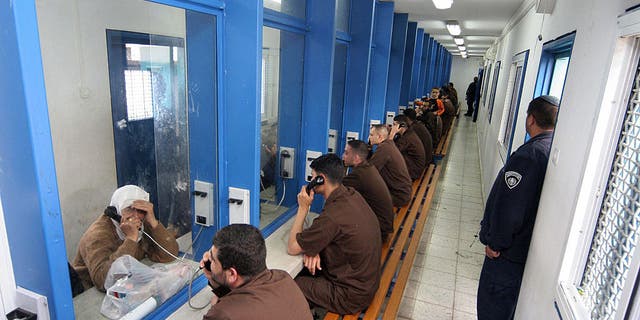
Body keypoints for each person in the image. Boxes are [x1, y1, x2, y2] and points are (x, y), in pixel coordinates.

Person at [476, 96, 559, 320]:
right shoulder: (551, 148)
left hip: (506, 256)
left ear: (531, 119)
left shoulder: (529, 155)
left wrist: (495, 243)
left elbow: (510, 208)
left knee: (492, 308)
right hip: (521, 253)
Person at [287, 154, 381, 315]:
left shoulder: (333, 216)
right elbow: (331, 232)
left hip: (350, 296)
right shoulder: (351, 195)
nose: (310, 180)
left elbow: (292, 247)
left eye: (313, 177)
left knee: (293, 284)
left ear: (321, 179)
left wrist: (303, 208)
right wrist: (314, 247)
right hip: (366, 284)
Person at [72, 185, 179, 291]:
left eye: (141, 210)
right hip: (88, 291)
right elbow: (104, 281)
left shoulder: (141, 223)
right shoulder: (96, 235)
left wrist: (153, 223)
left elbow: (169, 255)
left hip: (128, 282)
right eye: (129, 209)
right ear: (116, 210)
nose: (136, 216)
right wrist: (131, 239)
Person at [200, 224, 312, 320]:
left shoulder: (223, 314)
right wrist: (215, 280)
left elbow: (232, 309)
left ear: (232, 274)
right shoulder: (283, 277)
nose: (209, 261)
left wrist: (217, 303)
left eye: (213, 260)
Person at [342, 139, 394, 240]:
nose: (343, 156)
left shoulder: (359, 175)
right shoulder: (368, 168)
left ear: (356, 158)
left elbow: (335, 188)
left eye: (346, 153)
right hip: (384, 225)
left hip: (379, 230)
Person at [368, 124, 412, 207]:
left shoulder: (384, 148)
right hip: (403, 193)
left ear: (379, 137)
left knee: (366, 197)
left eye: (371, 135)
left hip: (398, 196)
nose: (369, 137)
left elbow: (370, 170)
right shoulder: (389, 144)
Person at [390, 115, 426, 181]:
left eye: (394, 125)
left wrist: (392, 134)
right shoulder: (409, 133)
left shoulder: (407, 138)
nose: (393, 127)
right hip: (415, 168)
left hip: (413, 172)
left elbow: (391, 151)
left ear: (402, 126)